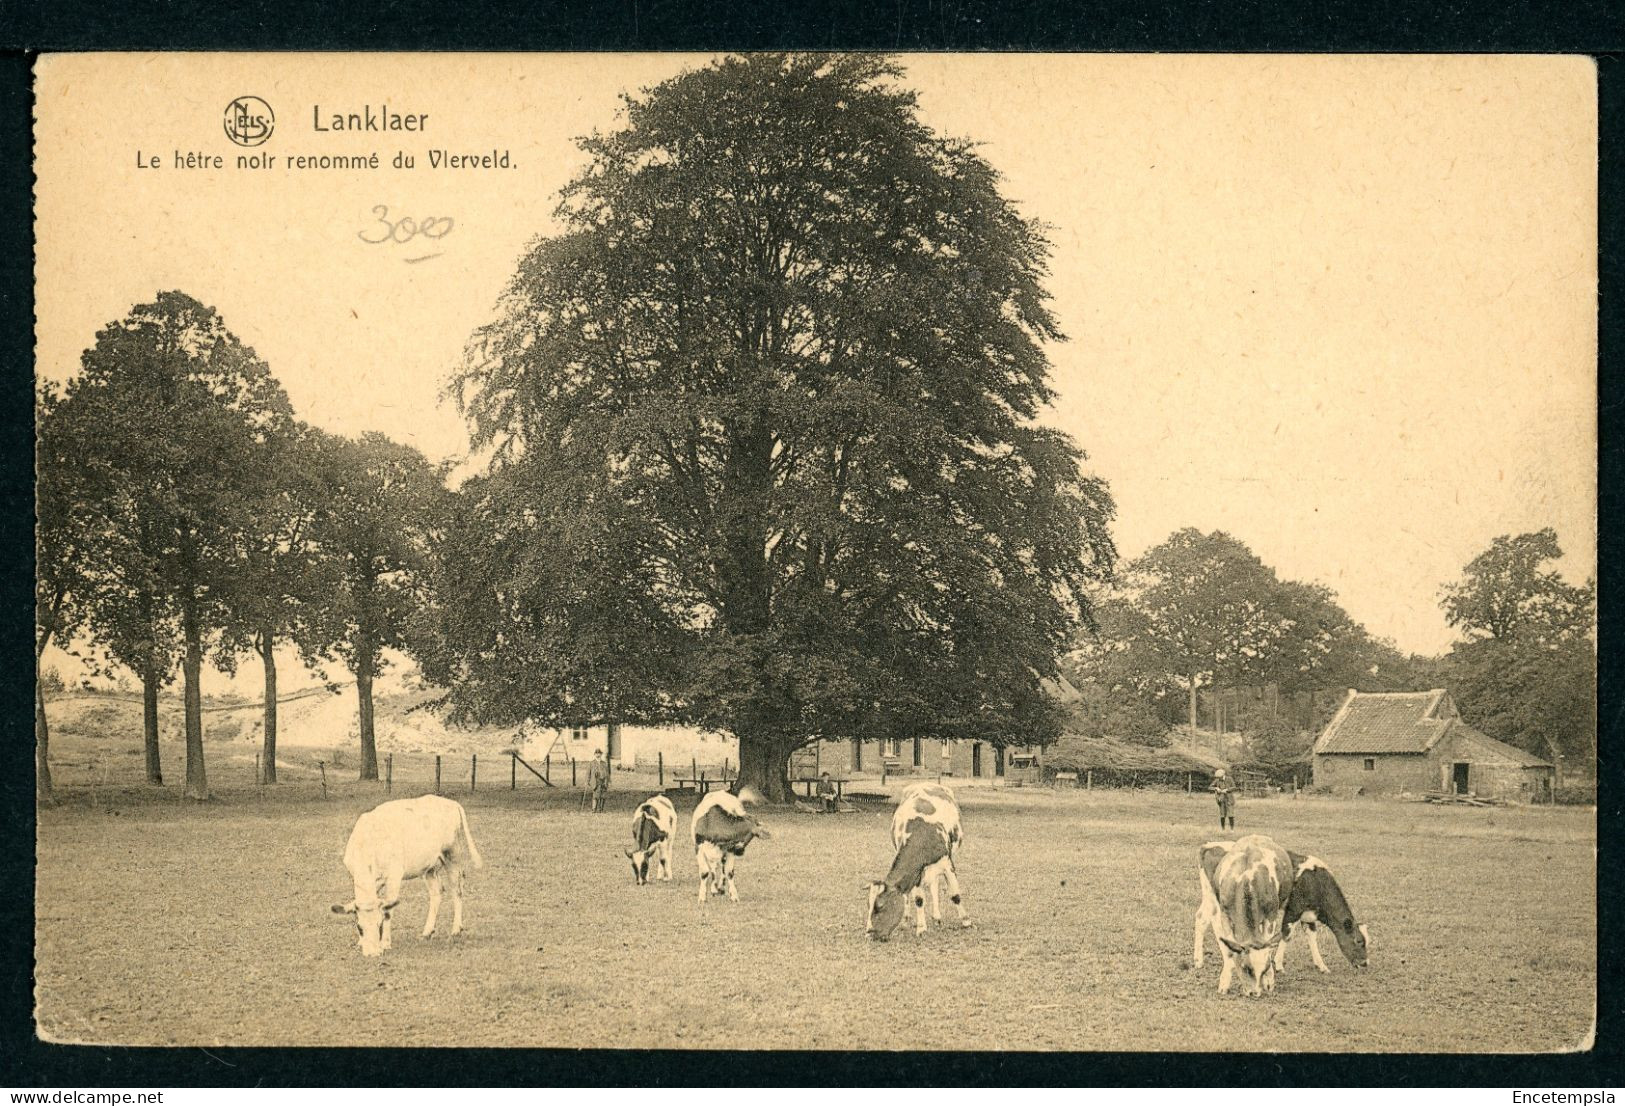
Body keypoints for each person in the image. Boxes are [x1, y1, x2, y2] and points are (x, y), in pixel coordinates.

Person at [588, 749, 611, 813]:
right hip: (596, 781)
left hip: (603, 781)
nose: (598, 754)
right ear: (594, 754)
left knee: (603, 795)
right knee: (595, 795)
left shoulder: (604, 763)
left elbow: (607, 773)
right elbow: (588, 773)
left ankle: (601, 809)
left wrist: (608, 780)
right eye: (596, 753)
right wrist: (587, 781)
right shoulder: (591, 763)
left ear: (601, 754)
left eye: (599, 753)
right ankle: (594, 809)